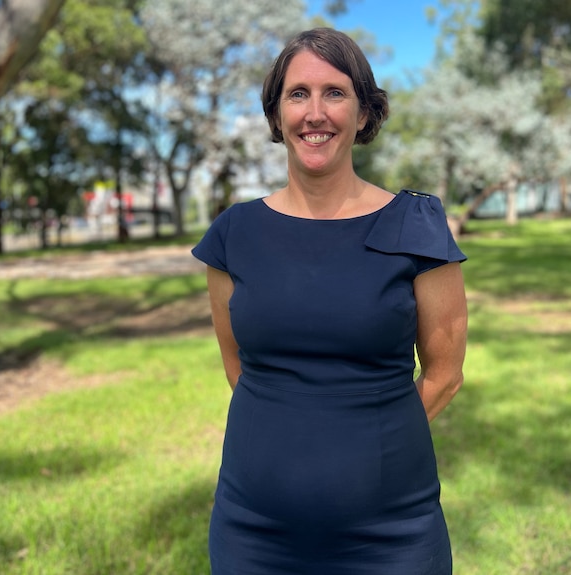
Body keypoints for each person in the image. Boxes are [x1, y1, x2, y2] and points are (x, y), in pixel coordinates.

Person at [192, 27, 468, 575]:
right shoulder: (233, 235)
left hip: (392, 534)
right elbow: (238, 366)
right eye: (298, 94)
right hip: (253, 531)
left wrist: (366, 443)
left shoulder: (416, 225)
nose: (315, 113)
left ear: (364, 114)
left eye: (335, 93)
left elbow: (445, 374)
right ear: (276, 117)